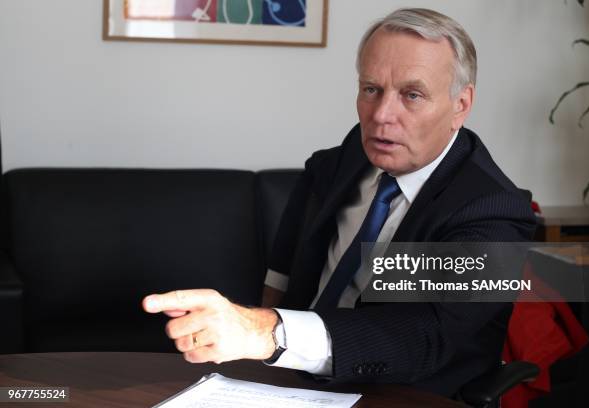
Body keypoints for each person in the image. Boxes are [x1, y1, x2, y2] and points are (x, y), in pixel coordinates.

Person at [142, 8, 536, 397]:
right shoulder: (351, 154)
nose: (381, 115)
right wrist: (260, 360)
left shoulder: (492, 212)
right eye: (371, 89)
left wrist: (264, 331)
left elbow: (421, 335)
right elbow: (284, 264)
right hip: (298, 376)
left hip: (404, 391)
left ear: (460, 105)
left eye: (412, 95)